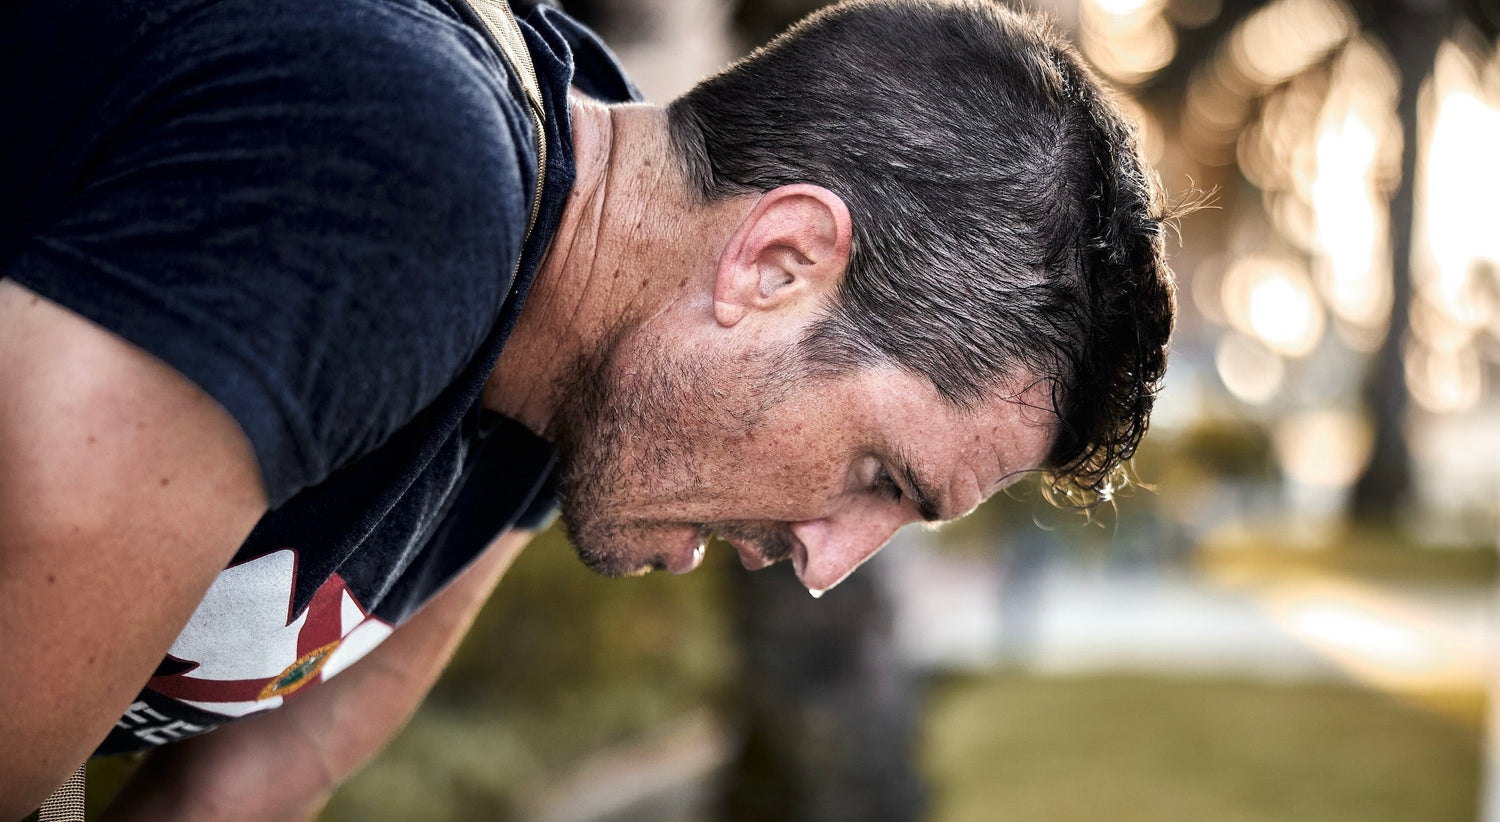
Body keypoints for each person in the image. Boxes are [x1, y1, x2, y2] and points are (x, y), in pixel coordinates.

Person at [0, 0, 1177, 815]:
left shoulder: (573, 355)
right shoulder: (414, 177)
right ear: (777, 263)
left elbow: (252, 786)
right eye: (883, 476)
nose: (827, 564)